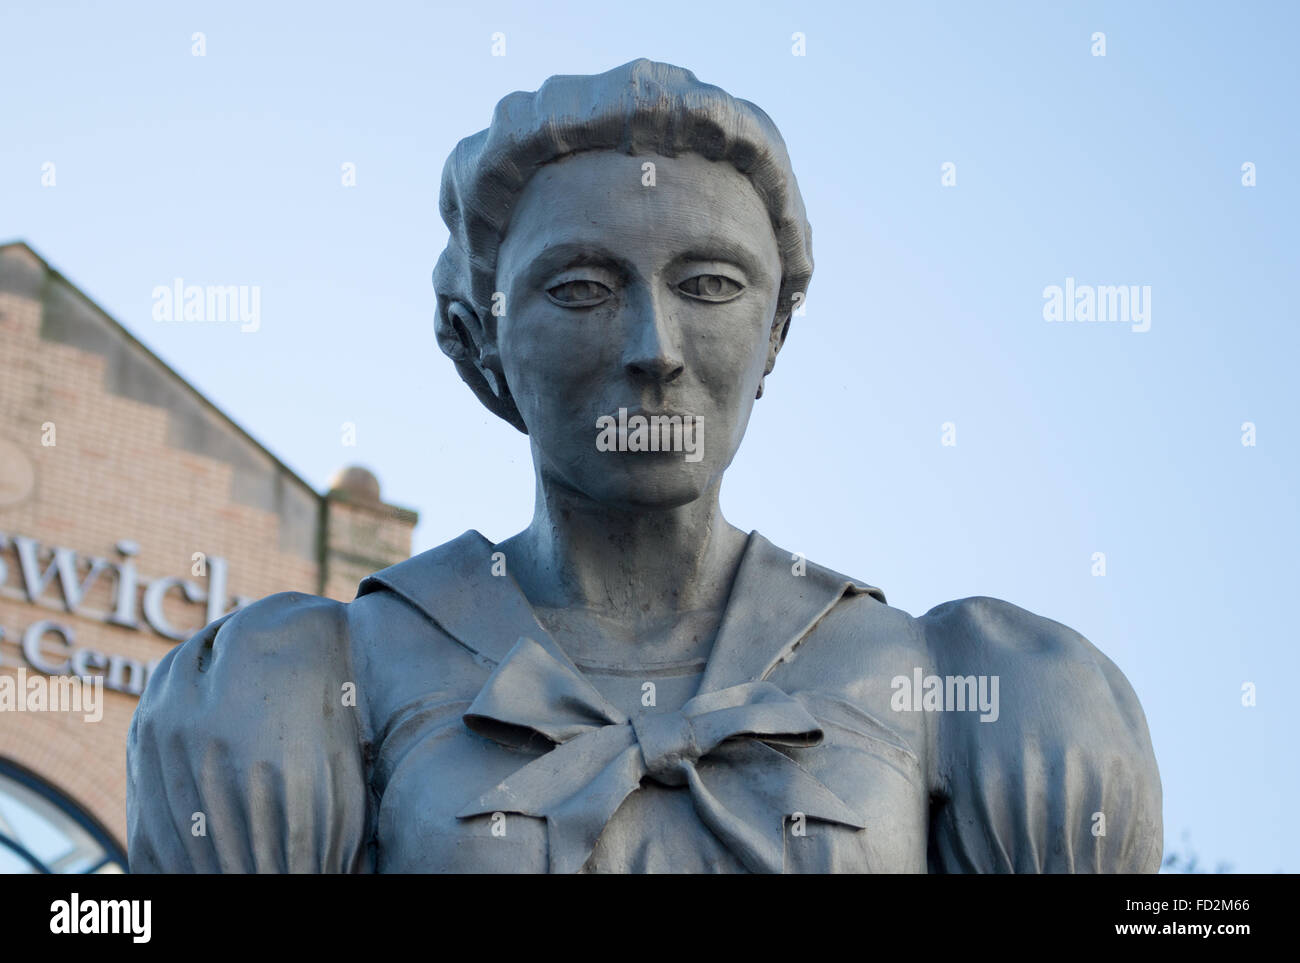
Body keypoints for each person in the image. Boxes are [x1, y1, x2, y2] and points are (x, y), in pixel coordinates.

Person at [127, 59, 1162, 873]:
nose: (654, 345)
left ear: (775, 336)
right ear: (475, 338)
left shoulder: (973, 690)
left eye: (710, 284)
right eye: (579, 288)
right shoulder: (304, 685)